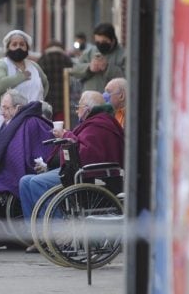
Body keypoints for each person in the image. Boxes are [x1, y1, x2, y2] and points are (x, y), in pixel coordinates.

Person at [18, 90, 124, 224]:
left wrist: (66, 135)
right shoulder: (93, 123)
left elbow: (85, 154)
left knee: (36, 183)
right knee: (25, 181)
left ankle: (58, 232)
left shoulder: (100, 124)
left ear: (87, 109)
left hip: (85, 173)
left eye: (78, 107)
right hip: (76, 169)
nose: (76, 111)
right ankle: (35, 235)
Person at [0, 89, 54, 199]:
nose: (2, 112)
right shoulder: (10, 122)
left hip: (22, 172)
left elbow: (42, 148)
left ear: (18, 108)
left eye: (6, 108)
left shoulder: (32, 121)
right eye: (2, 107)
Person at [0, 29, 49, 129]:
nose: (18, 47)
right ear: (8, 47)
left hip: (32, 123)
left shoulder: (34, 67)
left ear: (27, 47)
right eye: (14, 44)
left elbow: (45, 84)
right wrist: (21, 77)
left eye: (22, 44)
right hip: (2, 123)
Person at [70, 23, 126, 92]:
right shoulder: (89, 52)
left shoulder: (123, 54)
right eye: (98, 42)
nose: (101, 44)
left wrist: (107, 68)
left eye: (104, 41)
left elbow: (127, 76)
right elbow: (75, 70)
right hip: (91, 98)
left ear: (112, 40)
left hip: (113, 98)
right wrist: (89, 68)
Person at [37, 40, 73, 122]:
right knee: (61, 126)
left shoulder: (42, 60)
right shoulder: (67, 60)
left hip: (46, 100)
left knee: (47, 125)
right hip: (63, 101)